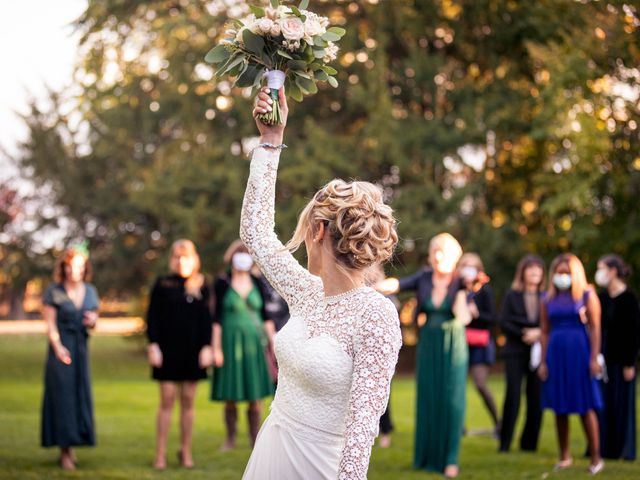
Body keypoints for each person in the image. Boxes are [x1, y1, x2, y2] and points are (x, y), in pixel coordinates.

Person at [241, 87, 401, 480]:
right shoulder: (307, 292)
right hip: (271, 451)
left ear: (317, 230)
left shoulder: (376, 315)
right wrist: (270, 142)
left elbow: (362, 431)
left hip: (319, 468)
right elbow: (255, 232)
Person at [378, 233, 472, 478]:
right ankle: (426, 456)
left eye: (443, 252)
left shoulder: (461, 281)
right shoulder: (424, 277)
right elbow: (397, 284)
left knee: (452, 401)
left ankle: (450, 458)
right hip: (428, 344)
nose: (438, 256)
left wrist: (463, 290)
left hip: (453, 345)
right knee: (428, 398)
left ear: (454, 256)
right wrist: (369, 287)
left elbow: (464, 318)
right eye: (435, 251)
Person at [146, 239, 214, 469]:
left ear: (194, 259)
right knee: (166, 401)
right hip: (166, 351)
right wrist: (153, 345)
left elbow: (208, 319)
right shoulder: (162, 284)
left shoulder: (202, 284)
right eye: (177, 256)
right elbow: (152, 317)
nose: (181, 260)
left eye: (185, 256)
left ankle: (185, 452)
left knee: (188, 401)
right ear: (172, 259)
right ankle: (160, 454)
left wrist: (207, 347)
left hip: (193, 351)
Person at [539, 253, 604, 474]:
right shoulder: (547, 299)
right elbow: (544, 331)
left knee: (585, 406)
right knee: (560, 408)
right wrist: (542, 361)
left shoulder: (587, 295)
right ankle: (564, 455)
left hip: (580, 353)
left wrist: (594, 357)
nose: (562, 276)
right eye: (558, 273)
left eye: (566, 273)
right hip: (556, 355)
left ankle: (596, 457)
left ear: (574, 274)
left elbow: (595, 328)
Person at [211, 240, 275, 450]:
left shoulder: (258, 283)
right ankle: (230, 439)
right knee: (231, 393)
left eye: (246, 253)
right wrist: (216, 348)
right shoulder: (222, 283)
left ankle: (254, 438)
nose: (243, 257)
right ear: (231, 257)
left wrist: (274, 343)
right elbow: (216, 319)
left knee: (254, 394)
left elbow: (266, 316)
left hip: (254, 345)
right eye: (239, 253)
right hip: (230, 343)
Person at [41, 244, 99, 470]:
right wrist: (58, 348)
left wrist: (92, 322)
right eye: (71, 266)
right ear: (63, 268)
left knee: (78, 396)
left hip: (81, 349)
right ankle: (64, 450)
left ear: (85, 268)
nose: (75, 270)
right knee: (62, 398)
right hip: (61, 350)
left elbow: (94, 324)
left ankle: (75, 443)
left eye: (80, 266)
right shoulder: (54, 291)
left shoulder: (91, 291)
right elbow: (50, 324)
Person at [595, 254, 640, 461]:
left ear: (613, 271)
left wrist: (630, 363)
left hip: (623, 362)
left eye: (602, 268)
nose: (599, 273)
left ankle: (624, 449)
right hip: (605, 360)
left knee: (623, 405)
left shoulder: (629, 299)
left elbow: (633, 334)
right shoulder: (602, 298)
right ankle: (604, 448)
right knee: (604, 404)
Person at [498, 254, 545, 453]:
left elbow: (551, 324)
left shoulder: (547, 297)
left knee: (536, 398)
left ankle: (529, 444)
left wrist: (539, 333)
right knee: (513, 396)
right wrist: (525, 333)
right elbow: (504, 322)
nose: (534, 272)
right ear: (523, 272)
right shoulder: (512, 295)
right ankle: (505, 443)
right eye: (530, 268)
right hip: (515, 351)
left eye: (538, 268)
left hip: (538, 354)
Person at [458, 253, 499, 435]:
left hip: (480, 345)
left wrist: (477, 314)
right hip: (461, 343)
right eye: (465, 265)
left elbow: (492, 319)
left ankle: (499, 423)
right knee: (457, 385)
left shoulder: (485, 290)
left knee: (480, 384)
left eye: (472, 266)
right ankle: (459, 427)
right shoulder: (458, 290)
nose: (468, 269)